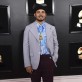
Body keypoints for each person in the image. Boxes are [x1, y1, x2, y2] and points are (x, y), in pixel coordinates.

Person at [23, 3, 59, 82]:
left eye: (42, 12)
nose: (40, 14)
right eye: (38, 12)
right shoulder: (28, 28)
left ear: (45, 15)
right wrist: (27, 64)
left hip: (48, 60)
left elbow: (56, 44)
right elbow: (25, 46)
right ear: (35, 15)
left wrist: (54, 58)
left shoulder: (52, 28)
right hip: (34, 61)